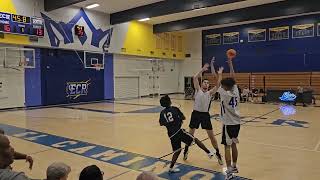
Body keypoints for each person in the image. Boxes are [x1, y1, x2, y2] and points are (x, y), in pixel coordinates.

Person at [159, 95, 220, 173]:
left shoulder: (162, 113)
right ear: (170, 102)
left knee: (177, 151)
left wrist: (169, 123)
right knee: (195, 139)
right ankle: (209, 152)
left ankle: (171, 168)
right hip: (179, 132)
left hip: (171, 135)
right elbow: (183, 117)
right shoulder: (174, 109)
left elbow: (161, 123)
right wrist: (179, 121)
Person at [183, 63, 223, 165]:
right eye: (204, 82)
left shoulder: (210, 93)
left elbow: (218, 85)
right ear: (201, 84)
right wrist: (202, 69)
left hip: (205, 115)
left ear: (209, 85)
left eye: (207, 83)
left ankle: (218, 153)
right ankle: (186, 150)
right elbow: (195, 77)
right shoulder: (198, 90)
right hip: (195, 114)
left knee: (211, 136)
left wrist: (220, 74)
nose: (205, 84)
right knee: (190, 135)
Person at [216, 58, 241, 180]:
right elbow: (233, 77)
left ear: (225, 87)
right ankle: (235, 166)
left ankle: (229, 173)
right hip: (237, 123)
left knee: (227, 147)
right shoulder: (235, 90)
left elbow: (218, 84)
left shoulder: (224, 93)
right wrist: (231, 64)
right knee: (234, 144)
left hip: (228, 124)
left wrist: (220, 74)